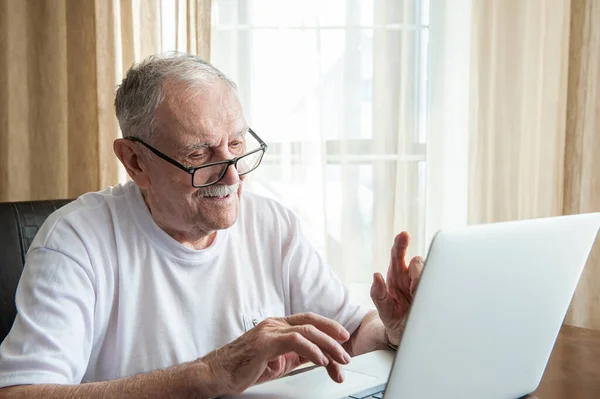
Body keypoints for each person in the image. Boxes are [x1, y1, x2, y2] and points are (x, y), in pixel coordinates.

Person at [0, 53, 423, 398]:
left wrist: (392, 330)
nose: (233, 176)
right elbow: (21, 393)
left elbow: (348, 336)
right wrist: (208, 375)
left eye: (236, 144)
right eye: (200, 155)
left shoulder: (272, 224)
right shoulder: (75, 241)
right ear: (134, 161)